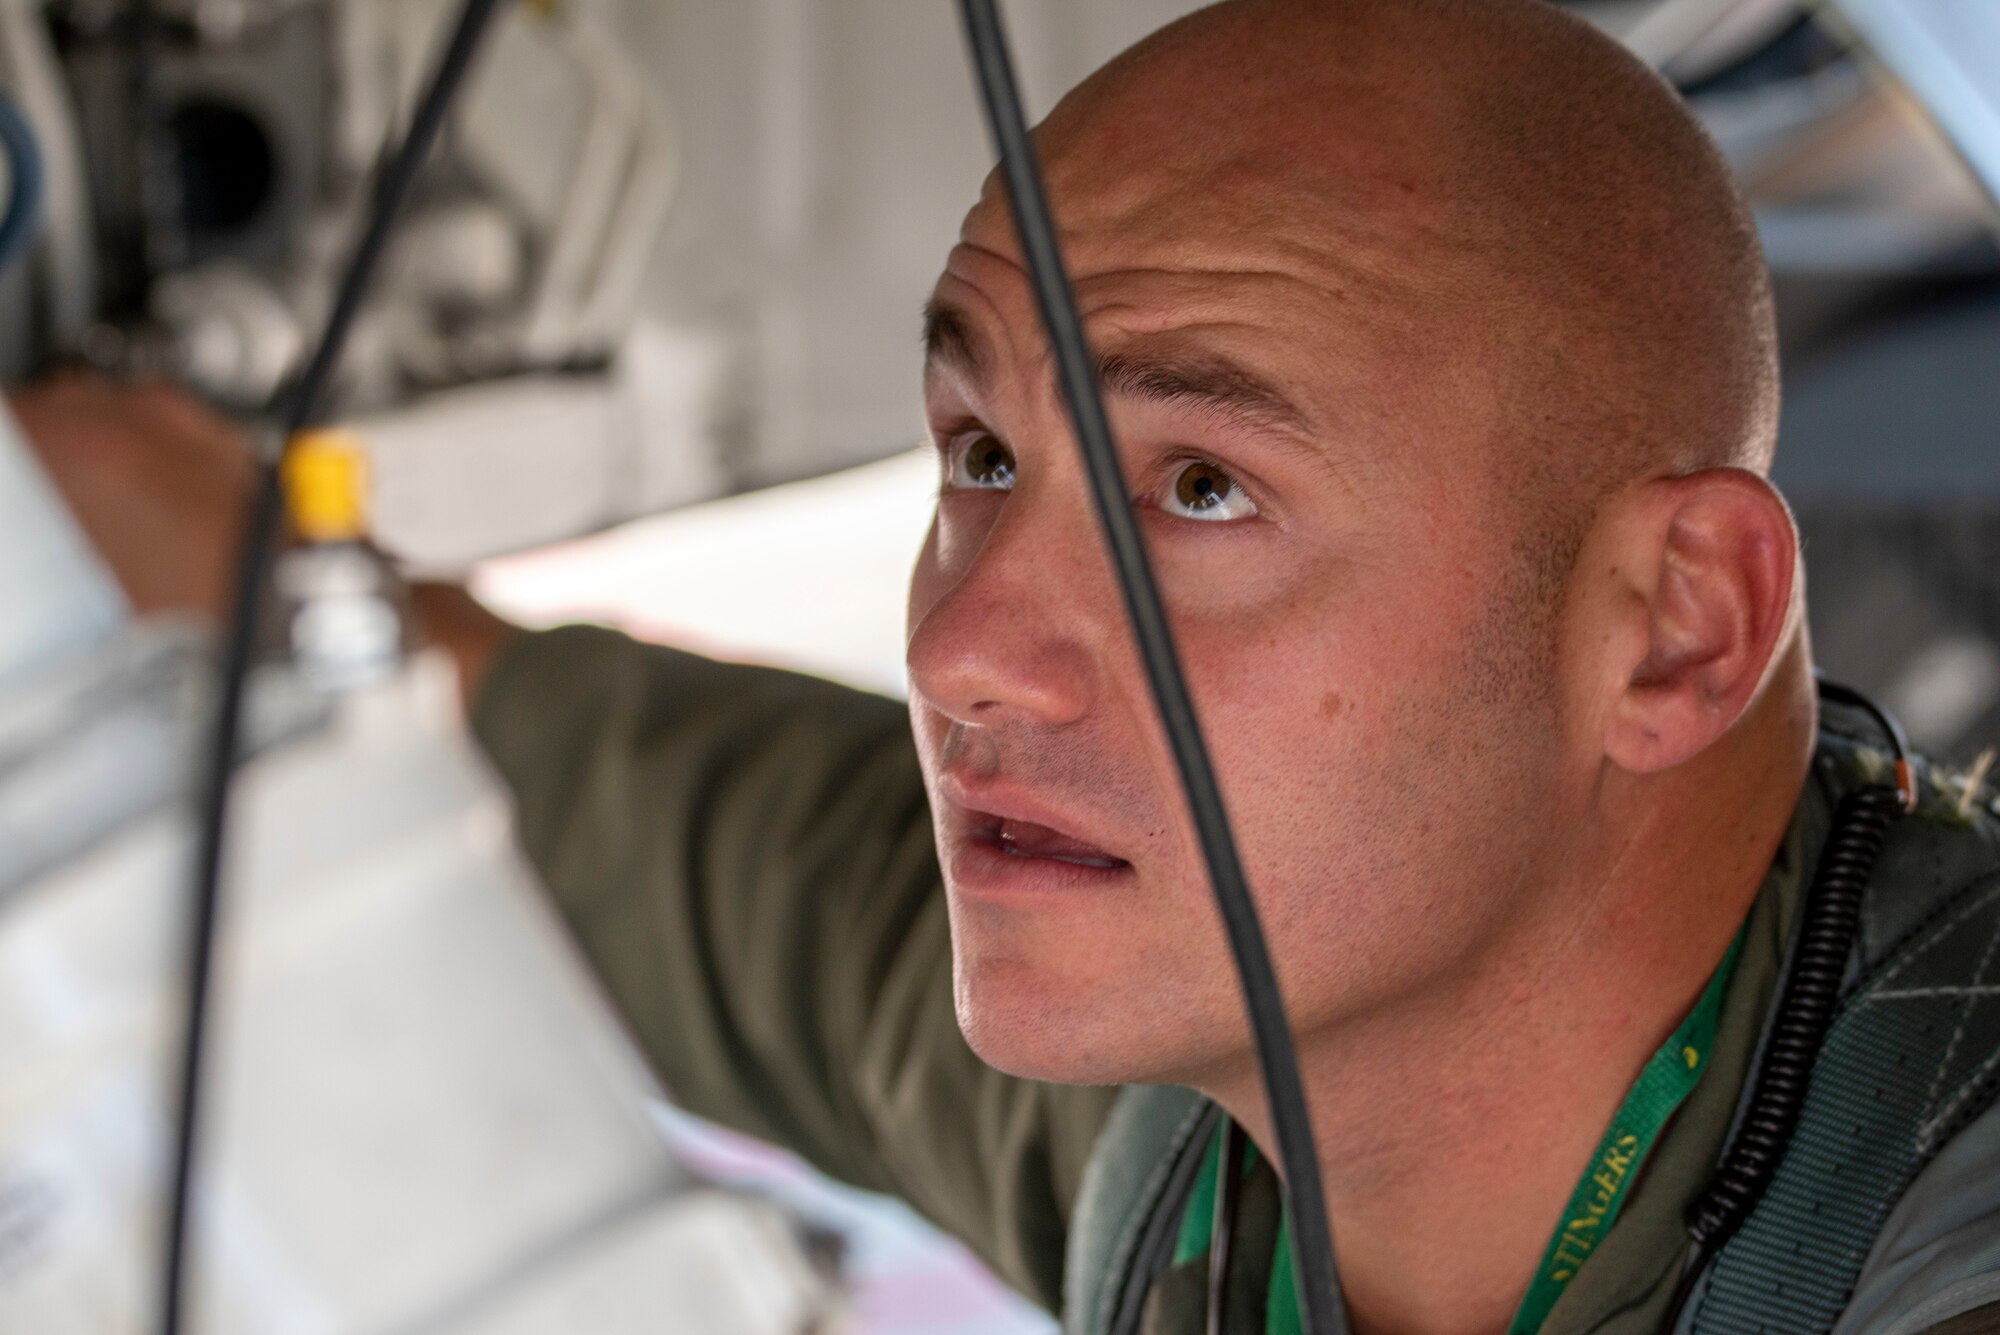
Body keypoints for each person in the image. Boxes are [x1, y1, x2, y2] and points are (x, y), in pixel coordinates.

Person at [14, 1, 2000, 1331]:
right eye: (980, 456)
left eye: (1203, 486)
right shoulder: (1207, 1137)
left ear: (1675, 627)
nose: (964, 648)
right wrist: (218, 556)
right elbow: (721, 857)